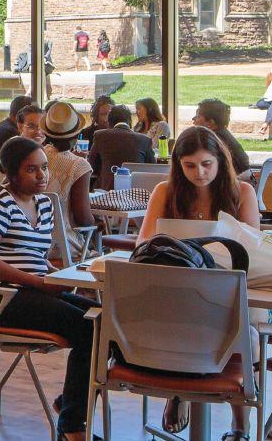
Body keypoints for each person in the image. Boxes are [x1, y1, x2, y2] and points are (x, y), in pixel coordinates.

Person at [0, 136, 95, 441]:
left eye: (44, 168)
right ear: (11, 174)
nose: (42, 176)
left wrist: (56, 274)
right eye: (31, 170)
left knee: (103, 318)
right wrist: (39, 282)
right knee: (89, 328)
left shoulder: (43, 204)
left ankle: (70, 403)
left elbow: (34, 258)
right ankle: (72, 426)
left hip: (29, 291)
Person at [137, 126, 259, 438]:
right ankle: (179, 393)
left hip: (228, 291)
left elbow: (250, 252)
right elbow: (145, 244)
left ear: (221, 161)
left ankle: (239, 426)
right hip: (176, 289)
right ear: (177, 164)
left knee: (239, 331)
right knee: (180, 322)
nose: (199, 173)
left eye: (206, 164)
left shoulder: (242, 193)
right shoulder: (165, 192)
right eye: (189, 166)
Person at [41, 99, 96, 256]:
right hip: (65, 247)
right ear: (77, 134)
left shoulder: (34, 157)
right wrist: (97, 223)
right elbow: (83, 218)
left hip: (35, 243)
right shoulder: (79, 165)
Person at [89, 103, 155, 190]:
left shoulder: (100, 135)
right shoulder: (145, 140)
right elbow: (152, 168)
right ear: (129, 121)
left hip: (106, 192)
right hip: (136, 193)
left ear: (110, 121)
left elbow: (91, 165)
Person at [193, 99, 249, 175]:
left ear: (210, 123)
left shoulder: (213, 140)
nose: (193, 118)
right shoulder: (222, 134)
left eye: (198, 116)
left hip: (235, 183)